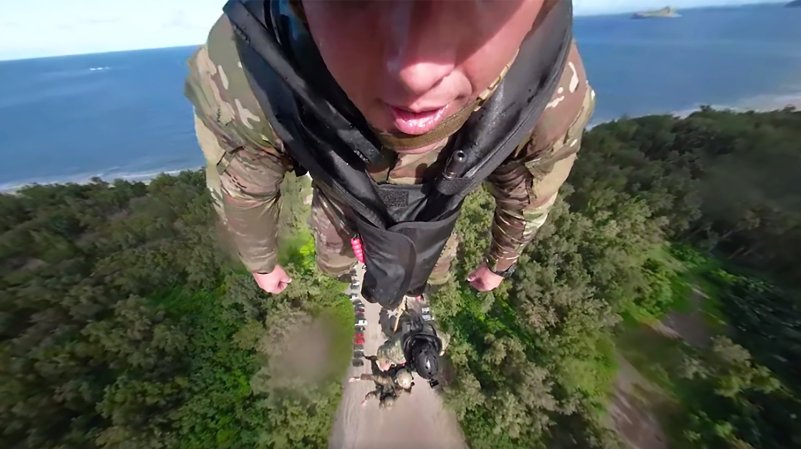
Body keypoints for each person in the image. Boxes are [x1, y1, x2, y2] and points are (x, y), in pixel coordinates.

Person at [185, 0, 593, 316]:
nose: (415, 74)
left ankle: (413, 289)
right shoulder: (247, 62)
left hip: (432, 213)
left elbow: (530, 185)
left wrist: (501, 262)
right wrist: (260, 260)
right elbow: (246, 178)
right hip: (344, 203)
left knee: (428, 267)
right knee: (338, 258)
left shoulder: (547, 88)